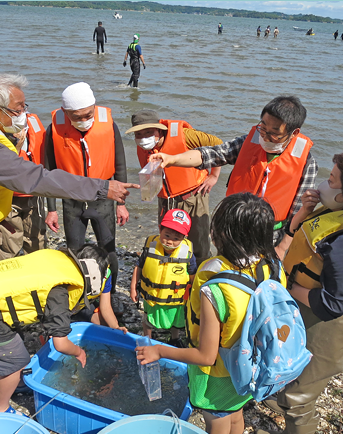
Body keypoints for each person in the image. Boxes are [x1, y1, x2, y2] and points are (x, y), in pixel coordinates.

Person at [0, 73, 136, 336]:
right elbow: (36, 177)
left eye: (25, 106)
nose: (24, 113)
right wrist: (101, 187)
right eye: (19, 108)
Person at [256, 152, 343, 434]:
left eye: (331, 180)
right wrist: (303, 214)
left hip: (330, 322)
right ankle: (281, 402)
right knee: (290, 366)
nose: (321, 185)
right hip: (309, 307)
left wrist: (291, 289)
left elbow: (334, 303)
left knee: (300, 396)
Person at [136, 193, 286, 434]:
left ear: (218, 235)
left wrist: (159, 351)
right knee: (235, 412)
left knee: (216, 423)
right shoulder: (272, 267)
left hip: (219, 375)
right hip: (249, 367)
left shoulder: (215, 289)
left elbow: (206, 355)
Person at [0, 244, 128, 415]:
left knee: (9, 352)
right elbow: (60, 344)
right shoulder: (60, 291)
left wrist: (115, 331)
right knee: (16, 363)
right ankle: (0, 408)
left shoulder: (61, 263)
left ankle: (14, 379)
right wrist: (78, 351)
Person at [148, 96, 317, 250]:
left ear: (293, 133)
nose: (265, 137)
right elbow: (211, 154)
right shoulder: (248, 142)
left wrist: (282, 247)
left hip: (269, 236)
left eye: (274, 134)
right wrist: (172, 159)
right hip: (231, 226)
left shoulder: (306, 162)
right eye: (263, 128)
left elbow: (299, 211)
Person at [44, 82, 128, 299]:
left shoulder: (108, 125)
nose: (83, 121)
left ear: (94, 107)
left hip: (103, 201)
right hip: (72, 204)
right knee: (74, 253)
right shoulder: (54, 129)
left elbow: (120, 165)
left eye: (87, 115)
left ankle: (110, 297)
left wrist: (121, 204)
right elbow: (49, 172)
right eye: (76, 117)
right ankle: (79, 298)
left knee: (109, 251)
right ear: (64, 112)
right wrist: (51, 210)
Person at [126, 109, 222, 262]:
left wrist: (214, 176)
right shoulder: (144, 146)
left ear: (159, 129)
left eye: (148, 132)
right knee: (168, 241)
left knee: (199, 244)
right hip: (165, 200)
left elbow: (218, 145)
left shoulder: (185, 135)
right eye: (138, 134)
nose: (143, 138)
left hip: (193, 196)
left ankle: (200, 275)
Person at [130, 209, 196, 347]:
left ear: (184, 237)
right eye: (166, 235)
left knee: (177, 321)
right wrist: (133, 287)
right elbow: (139, 266)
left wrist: (194, 295)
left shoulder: (187, 253)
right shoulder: (151, 246)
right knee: (147, 318)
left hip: (176, 299)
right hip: (152, 296)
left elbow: (192, 275)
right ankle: (147, 337)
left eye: (176, 238)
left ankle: (175, 338)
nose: (170, 241)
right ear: (160, 229)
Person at [5, 113, 48, 255]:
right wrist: (15, 148)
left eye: (23, 106)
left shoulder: (33, 119)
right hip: (7, 195)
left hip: (34, 192)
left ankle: (38, 270)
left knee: (36, 239)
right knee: (11, 241)